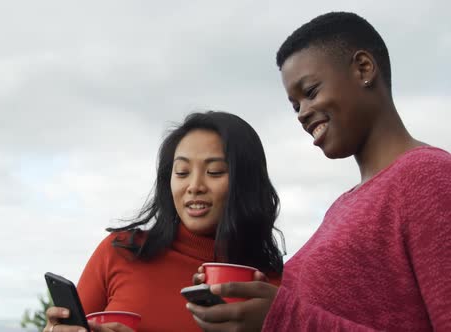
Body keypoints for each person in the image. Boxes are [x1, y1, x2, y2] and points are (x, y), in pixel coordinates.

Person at [187, 11, 451, 331]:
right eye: (295, 105)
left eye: (310, 91)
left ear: (363, 68)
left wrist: (282, 318)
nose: (302, 113)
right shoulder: (341, 208)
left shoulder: (429, 177)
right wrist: (247, 299)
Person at [44, 111, 284, 332]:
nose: (194, 186)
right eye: (181, 172)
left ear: (248, 182)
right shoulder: (120, 251)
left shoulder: (270, 290)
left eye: (215, 172)